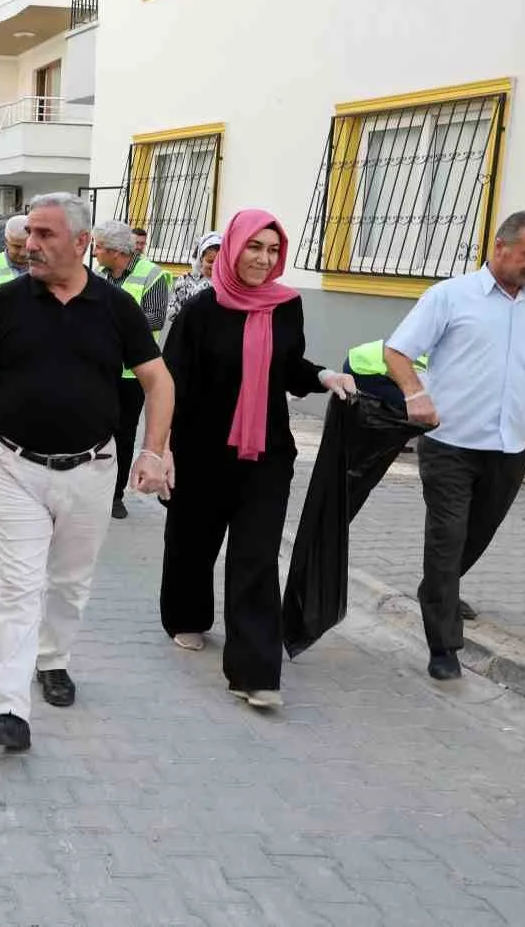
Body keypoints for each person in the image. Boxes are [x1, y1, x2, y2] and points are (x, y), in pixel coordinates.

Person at [0, 193, 173, 751]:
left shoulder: (115, 306)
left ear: (81, 244)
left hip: (92, 469)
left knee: (69, 584)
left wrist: (152, 450)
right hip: (14, 466)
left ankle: (53, 659)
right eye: (30, 233)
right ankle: (8, 708)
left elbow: (159, 380)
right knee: (18, 587)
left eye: (46, 235)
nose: (32, 244)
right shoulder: (5, 303)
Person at [158, 209, 355, 709]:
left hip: (266, 453)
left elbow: (288, 367)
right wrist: (160, 450)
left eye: (273, 250)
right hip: (201, 452)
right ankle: (186, 616)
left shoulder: (285, 306)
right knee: (193, 544)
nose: (264, 260)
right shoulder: (199, 312)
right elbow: (169, 385)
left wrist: (324, 376)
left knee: (257, 558)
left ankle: (255, 672)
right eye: (254, 247)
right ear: (232, 248)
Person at [384, 210, 525, 681]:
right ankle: (444, 644)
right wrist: (415, 394)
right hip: (449, 443)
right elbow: (396, 350)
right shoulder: (450, 296)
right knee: (448, 538)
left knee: (477, 534)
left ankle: (439, 589)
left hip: (510, 447)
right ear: (500, 247)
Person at [93, 219, 174, 520]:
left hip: (132, 372)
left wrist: (113, 321)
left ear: (116, 251)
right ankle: (94, 491)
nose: (95, 252)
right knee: (95, 431)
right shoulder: (98, 275)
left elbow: (154, 319)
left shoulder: (152, 275)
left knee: (123, 435)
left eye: (99, 247)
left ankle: (115, 496)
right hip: (101, 368)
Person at [168, 231, 220, 331]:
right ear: (201, 259)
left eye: (218, 262)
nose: (214, 266)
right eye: (210, 261)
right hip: (187, 334)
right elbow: (172, 311)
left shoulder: (226, 284)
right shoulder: (184, 280)